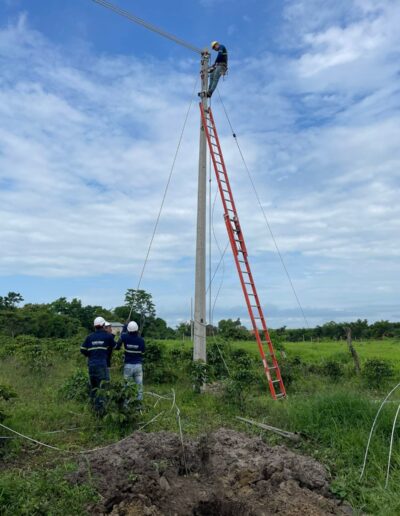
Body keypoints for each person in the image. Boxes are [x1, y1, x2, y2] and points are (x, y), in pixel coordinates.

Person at [80, 316, 115, 414]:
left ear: (94, 326)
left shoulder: (89, 337)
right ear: (103, 325)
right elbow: (115, 346)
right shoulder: (107, 336)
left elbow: (82, 349)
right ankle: (101, 411)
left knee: (94, 387)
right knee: (102, 388)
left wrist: (90, 355)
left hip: (91, 365)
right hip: (101, 365)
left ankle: (93, 407)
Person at [116, 321, 145, 402]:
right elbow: (142, 352)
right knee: (139, 387)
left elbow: (118, 345)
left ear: (128, 330)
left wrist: (124, 328)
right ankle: (139, 405)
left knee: (126, 387)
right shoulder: (141, 340)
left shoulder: (125, 337)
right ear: (137, 329)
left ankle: (126, 405)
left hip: (128, 365)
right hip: (138, 366)